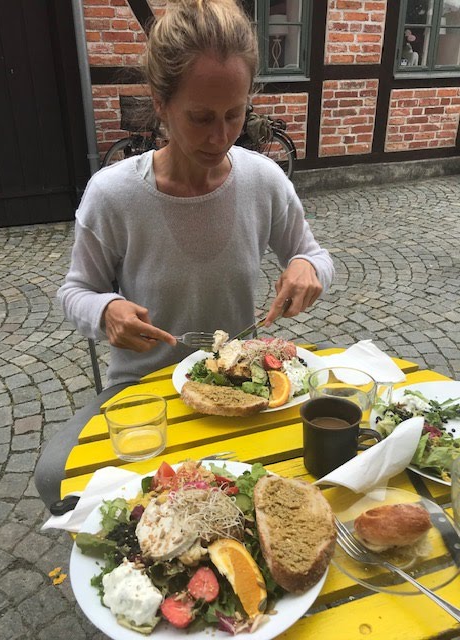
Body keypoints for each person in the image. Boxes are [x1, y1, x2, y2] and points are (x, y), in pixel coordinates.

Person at [34, 0, 334, 508]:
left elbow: (315, 255)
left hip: (241, 386)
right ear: (160, 102)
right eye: (200, 117)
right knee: (51, 477)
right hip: (144, 388)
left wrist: (306, 266)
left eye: (235, 114)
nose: (221, 137)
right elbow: (75, 290)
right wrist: (105, 310)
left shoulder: (263, 180)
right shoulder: (113, 195)